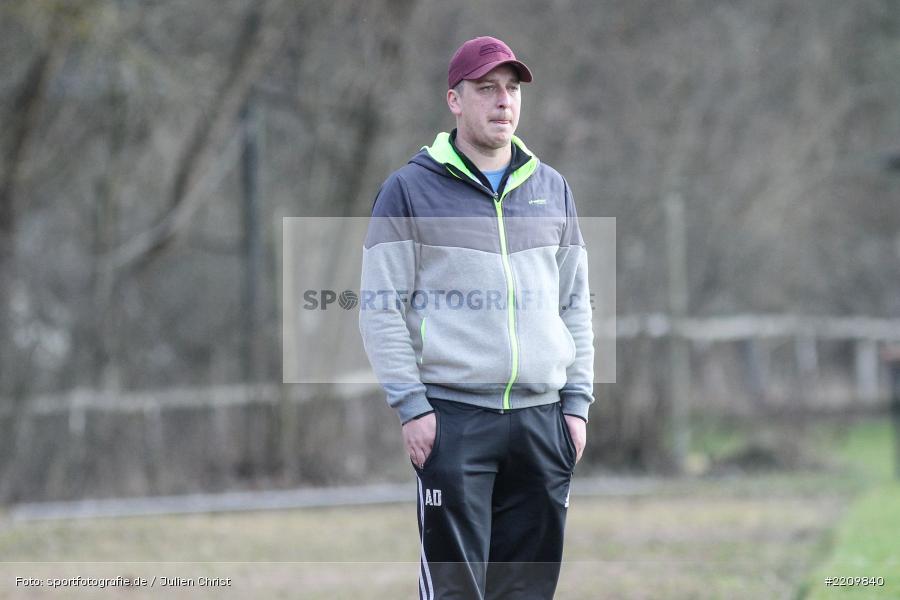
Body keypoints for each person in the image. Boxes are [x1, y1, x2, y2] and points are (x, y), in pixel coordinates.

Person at [359, 35, 594, 600]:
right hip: (454, 420)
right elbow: (380, 308)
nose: (503, 102)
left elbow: (577, 305)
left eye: (512, 90)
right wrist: (412, 408)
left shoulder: (551, 188)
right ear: (455, 101)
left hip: (543, 423)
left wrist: (577, 406)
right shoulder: (409, 190)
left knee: (527, 591)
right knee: (456, 591)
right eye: (486, 89)